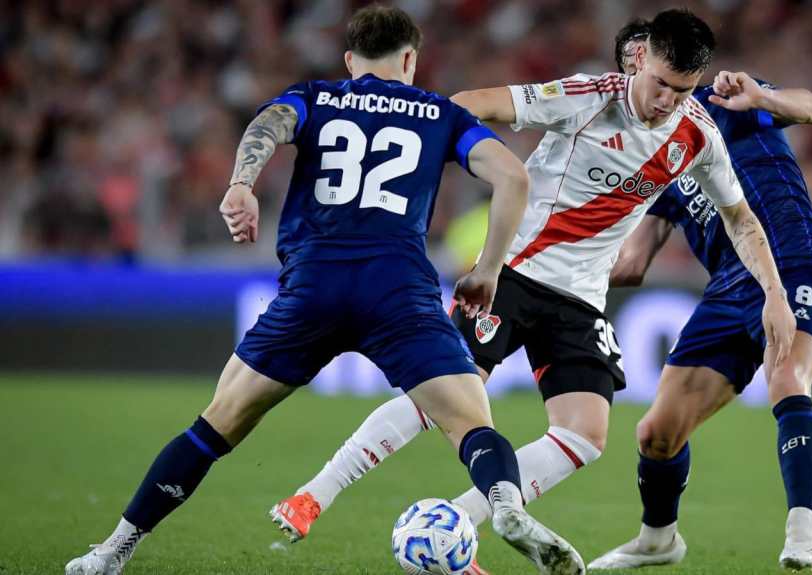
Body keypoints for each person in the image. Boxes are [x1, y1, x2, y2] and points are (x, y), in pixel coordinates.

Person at [64, 6, 585, 575]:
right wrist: (487, 270)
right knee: (472, 426)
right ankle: (505, 505)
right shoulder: (440, 113)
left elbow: (267, 125)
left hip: (313, 287)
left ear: (349, 60)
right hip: (399, 293)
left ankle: (112, 551)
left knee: (215, 425)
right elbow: (514, 177)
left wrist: (241, 185)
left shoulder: (316, 96)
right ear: (410, 58)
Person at [272, 6, 794, 563]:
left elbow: (740, 218)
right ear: (641, 59)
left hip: (582, 296)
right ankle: (312, 496)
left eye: (682, 91)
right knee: (438, 399)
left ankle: (459, 521)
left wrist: (776, 294)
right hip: (513, 274)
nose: (666, 101)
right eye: (661, 84)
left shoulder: (698, 134)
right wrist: (418, 134)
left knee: (585, 436)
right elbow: (478, 104)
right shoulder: (586, 96)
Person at [587, 19, 812, 572]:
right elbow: (630, 264)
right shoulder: (651, 157)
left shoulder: (724, 99)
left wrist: (762, 96)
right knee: (655, 434)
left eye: (644, 53)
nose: (638, 66)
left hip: (790, 259)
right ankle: (658, 539)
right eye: (629, 59)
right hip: (728, 287)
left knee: (787, 376)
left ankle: (801, 531)